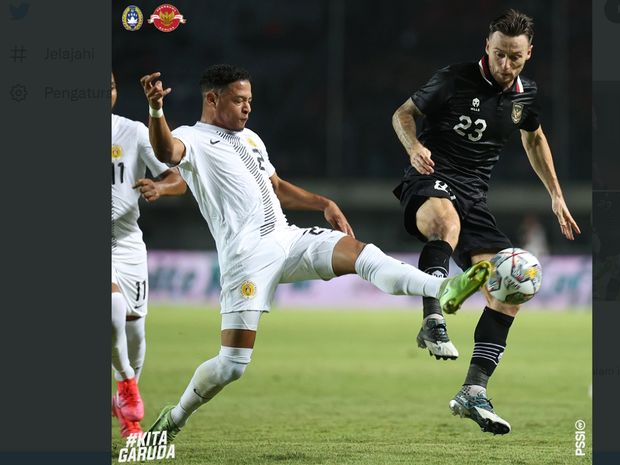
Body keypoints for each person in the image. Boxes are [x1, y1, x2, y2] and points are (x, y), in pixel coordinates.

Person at [139, 64, 493, 441]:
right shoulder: (190, 138)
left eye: (250, 101)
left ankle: (442, 290)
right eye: (240, 100)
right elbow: (166, 151)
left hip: (287, 238)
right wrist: (157, 110)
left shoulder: (251, 139)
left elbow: (275, 186)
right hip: (246, 260)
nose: (247, 108)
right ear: (212, 99)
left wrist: (323, 202)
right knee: (231, 366)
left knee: (362, 254)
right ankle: (174, 418)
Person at [391, 9, 580, 434]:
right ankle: (432, 316)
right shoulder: (453, 78)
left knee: (510, 286)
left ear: (528, 53)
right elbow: (402, 114)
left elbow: (533, 137)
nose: (505, 64)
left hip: (474, 198)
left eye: (514, 56)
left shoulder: (525, 94)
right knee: (446, 223)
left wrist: (556, 194)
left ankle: (474, 391)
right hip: (430, 179)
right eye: (499, 54)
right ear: (487, 48)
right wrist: (414, 147)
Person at [111, 72, 187, 437]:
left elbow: (178, 178)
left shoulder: (132, 132)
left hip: (126, 244)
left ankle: (125, 403)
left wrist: (158, 186)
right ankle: (128, 394)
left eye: (109, 87)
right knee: (110, 308)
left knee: (135, 331)